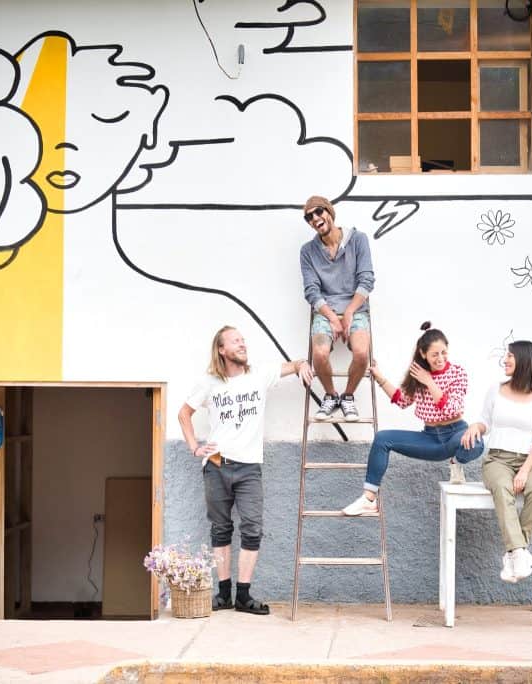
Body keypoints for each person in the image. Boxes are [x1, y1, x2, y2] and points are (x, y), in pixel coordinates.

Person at [177, 325, 312, 614]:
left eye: (243, 340)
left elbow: (295, 364)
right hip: (216, 465)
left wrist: (302, 366)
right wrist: (193, 446)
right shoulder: (209, 382)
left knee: (252, 529)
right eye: (235, 341)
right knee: (221, 529)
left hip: (249, 467)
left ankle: (243, 595)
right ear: (222, 349)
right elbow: (184, 413)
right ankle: (223, 594)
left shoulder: (259, 374)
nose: (242, 344)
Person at [341, 322, 484, 516]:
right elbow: (402, 400)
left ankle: (456, 462)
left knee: (475, 443)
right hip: (430, 438)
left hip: (455, 433)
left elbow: (452, 409)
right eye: (435, 354)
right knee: (382, 438)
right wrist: (379, 377)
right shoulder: (418, 375)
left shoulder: (457, 372)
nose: (440, 358)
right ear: (423, 354)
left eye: (444, 352)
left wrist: (429, 381)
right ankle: (368, 499)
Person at [460, 340, 532, 583]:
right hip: (498, 459)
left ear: (524, 360)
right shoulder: (496, 389)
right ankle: (520, 553)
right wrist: (475, 426)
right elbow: (485, 421)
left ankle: (514, 552)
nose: (505, 360)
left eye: (510, 356)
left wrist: (523, 471)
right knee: (502, 487)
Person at [299, 195, 375, 422]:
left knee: (362, 354)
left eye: (318, 212)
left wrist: (349, 312)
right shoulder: (308, 251)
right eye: (309, 216)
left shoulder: (358, 240)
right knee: (319, 354)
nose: (315, 218)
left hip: (356, 308)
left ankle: (348, 397)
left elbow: (367, 281)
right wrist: (333, 318)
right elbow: (311, 291)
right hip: (326, 310)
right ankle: (331, 396)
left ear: (329, 212)